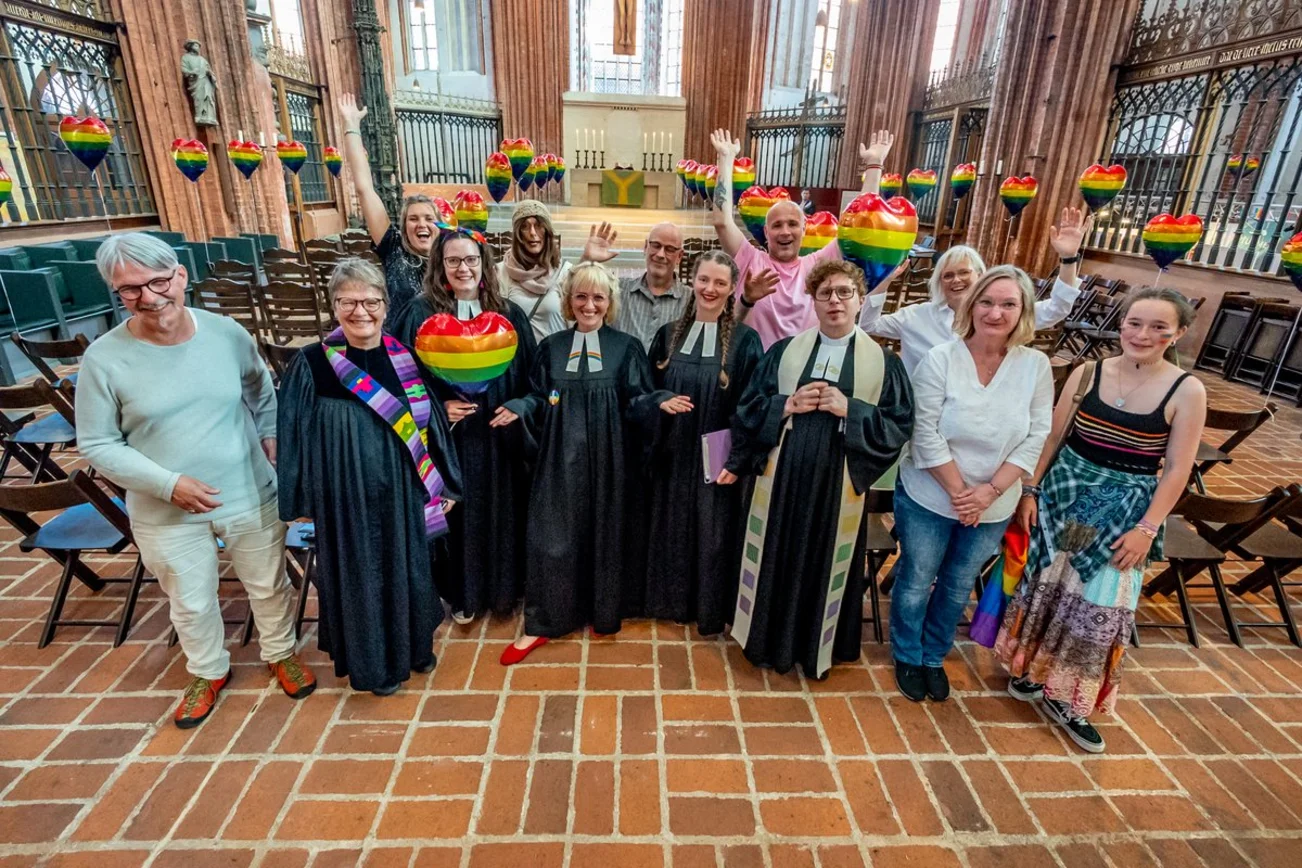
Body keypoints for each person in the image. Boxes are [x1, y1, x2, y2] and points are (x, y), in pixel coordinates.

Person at [78, 233, 314, 729]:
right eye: (129, 289)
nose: (148, 297)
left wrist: (270, 433)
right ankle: (208, 670)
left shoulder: (226, 333)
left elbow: (261, 389)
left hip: (246, 487)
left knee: (268, 583)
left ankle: (280, 652)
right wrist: (169, 484)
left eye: (158, 281)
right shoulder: (103, 358)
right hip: (164, 507)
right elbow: (97, 444)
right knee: (190, 600)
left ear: (180, 276)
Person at [996, 287, 1206, 754]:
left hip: (1125, 512)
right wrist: (1030, 490)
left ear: (1178, 334)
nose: (1142, 334)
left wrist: (1147, 528)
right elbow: (1052, 437)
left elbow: (1177, 469)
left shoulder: (1186, 390)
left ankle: (1071, 698)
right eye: (1134, 323)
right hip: (1064, 496)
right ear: (1121, 324)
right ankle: (1030, 671)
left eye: (1158, 327)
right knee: (1051, 584)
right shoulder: (1088, 372)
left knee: (1100, 601)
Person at [278, 258, 462, 696]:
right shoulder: (313, 364)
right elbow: (292, 433)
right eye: (348, 302)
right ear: (334, 306)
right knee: (361, 575)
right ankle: (375, 666)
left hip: (401, 488)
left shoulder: (404, 359)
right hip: (346, 494)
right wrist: (300, 500)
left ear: (385, 304)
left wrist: (445, 483)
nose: (360, 311)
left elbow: (431, 424)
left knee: (409, 567)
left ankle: (415, 647)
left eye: (370, 301)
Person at [730, 260, 913, 678]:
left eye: (844, 292)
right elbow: (748, 408)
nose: (835, 301)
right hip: (783, 477)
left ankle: (816, 647)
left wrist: (853, 410)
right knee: (776, 551)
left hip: (838, 482)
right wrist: (787, 405)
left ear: (860, 300)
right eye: (825, 293)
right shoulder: (784, 352)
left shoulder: (885, 363)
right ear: (812, 301)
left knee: (825, 558)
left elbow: (899, 424)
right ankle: (767, 640)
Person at [889, 265, 1054, 704]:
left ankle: (933, 655)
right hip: (930, 494)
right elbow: (923, 431)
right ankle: (907, 653)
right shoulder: (941, 358)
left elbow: (1037, 434)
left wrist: (989, 493)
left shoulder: (1035, 366)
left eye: (1008, 304)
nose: (995, 313)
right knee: (916, 577)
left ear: (1023, 311)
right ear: (972, 305)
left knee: (957, 583)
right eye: (987, 302)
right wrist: (962, 493)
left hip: (993, 503)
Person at [496, 263, 654, 663]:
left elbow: (637, 398)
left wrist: (659, 402)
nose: (589, 305)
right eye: (581, 296)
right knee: (552, 536)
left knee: (605, 532)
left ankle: (603, 613)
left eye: (598, 297)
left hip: (610, 460)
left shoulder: (627, 347)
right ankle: (544, 622)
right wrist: (519, 407)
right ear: (569, 300)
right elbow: (537, 395)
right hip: (559, 457)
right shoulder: (550, 347)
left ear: (609, 302)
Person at [392, 228, 537, 625]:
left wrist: (519, 406)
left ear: (483, 264)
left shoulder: (509, 314)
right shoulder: (419, 314)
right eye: (453, 260)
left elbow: (533, 379)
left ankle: (504, 593)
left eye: (471, 260)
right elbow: (400, 380)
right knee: (458, 518)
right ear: (439, 266)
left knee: (502, 513)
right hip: (449, 443)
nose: (463, 268)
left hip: (499, 439)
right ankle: (463, 595)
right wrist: (438, 409)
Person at [644, 251, 764, 633]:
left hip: (717, 461)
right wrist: (660, 402)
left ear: (732, 290)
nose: (710, 289)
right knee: (670, 528)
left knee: (713, 535)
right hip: (672, 454)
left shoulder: (745, 342)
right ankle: (668, 602)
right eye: (704, 280)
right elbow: (646, 390)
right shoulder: (667, 336)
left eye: (720, 283)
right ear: (692, 282)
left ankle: (708, 609)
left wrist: (738, 459)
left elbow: (753, 405)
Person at [709, 127, 893, 349]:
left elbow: (860, 223)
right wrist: (726, 159)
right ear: (766, 232)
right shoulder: (750, 259)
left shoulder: (818, 265)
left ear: (804, 229)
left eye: (793, 224)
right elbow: (722, 222)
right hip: (755, 366)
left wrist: (874, 164)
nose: (785, 232)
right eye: (777, 225)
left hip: (803, 366)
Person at [860, 207, 1090, 376]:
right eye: (948, 275)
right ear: (939, 282)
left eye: (964, 273)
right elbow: (869, 325)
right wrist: (884, 281)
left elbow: (1057, 309)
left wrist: (1068, 259)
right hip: (921, 409)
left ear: (980, 276)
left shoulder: (997, 316)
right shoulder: (917, 316)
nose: (956, 280)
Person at [338, 93, 440, 312]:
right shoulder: (394, 248)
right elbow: (365, 190)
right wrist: (351, 127)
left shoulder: (449, 257)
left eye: (429, 218)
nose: (421, 224)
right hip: (399, 334)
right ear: (404, 226)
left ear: (439, 225)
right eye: (413, 219)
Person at [498, 200, 620, 342]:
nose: (532, 233)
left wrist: (587, 259)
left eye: (539, 225)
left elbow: (581, 301)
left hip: (554, 354)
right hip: (518, 355)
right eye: (525, 227)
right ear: (517, 233)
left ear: (547, 231)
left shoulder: (563, 272)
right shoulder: (500, 272)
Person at [614, 222, 690, 349]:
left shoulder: (692, 300)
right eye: (656, 245)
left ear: (679, 256)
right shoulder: (618, 290)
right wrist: (588, 259)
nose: (660, 254)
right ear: (645, 247)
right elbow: (580, 297)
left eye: (670, 249)